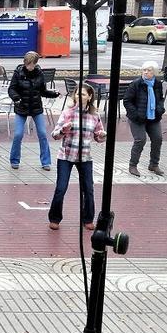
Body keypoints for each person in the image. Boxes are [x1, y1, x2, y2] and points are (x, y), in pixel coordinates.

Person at [48, 82, 106, 231]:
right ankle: (55, 218)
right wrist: (63, 130)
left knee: (88, 188)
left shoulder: (94, 115)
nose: (80, 97)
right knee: (61, 187)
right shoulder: (67, 113)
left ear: (90, 96)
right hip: (66, 155)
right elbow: (55, 135)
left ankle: (88, 219)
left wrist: (101, 135)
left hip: (85, 156)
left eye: (84, 94)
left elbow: (99, 136)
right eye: (78, 94)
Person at [7, 51, 59, 170]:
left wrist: (53, 94)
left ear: (35, 63)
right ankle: (14, 160)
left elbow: (42, 91)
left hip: (36, 107)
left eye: (32, 64)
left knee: (42, 133)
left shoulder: (39, 73)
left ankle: (46, 162)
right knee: (18, 134)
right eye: (28, 64)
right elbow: (12, 89)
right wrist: (16, 98)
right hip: (22, 107)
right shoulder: (18, 73)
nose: (29, 67)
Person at [123, 61, 166, 177]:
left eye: (149, 70)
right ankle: (133, 165)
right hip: (137, 118)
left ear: (155, 72)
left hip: (153, 117)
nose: (146, 72)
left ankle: (154, 164)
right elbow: (127, 101)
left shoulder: (157, 84)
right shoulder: (136, 84)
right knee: (140, 140)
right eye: (144, 70)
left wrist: (160, 109)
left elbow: (160, 99)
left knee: (158, 139)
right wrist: (136, 114)